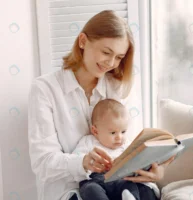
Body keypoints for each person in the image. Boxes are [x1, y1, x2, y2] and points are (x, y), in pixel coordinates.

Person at [28, 10, 174, 200]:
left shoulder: (120, 88)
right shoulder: (45, 89)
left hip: (122, 186)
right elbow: (42, 163)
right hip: (70, 192)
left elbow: (132, 147)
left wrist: (156, 171)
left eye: (119, 57)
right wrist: (82, 162)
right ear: (82, 42)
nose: (111, 63)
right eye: (106, 52)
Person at [72, 98, 160, 200]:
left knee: (129, 186)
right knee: (90, 190)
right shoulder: (87, 142)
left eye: (123, 132)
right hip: (94, 180)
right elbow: (76, 159)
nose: (119, 137)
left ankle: (130, 198)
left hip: (120, 180)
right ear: (95, 131)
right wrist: (88, 162)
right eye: (113, 132)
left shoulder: (127, 145)